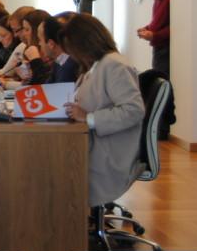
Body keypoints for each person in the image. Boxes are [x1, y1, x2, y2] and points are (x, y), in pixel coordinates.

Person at [60, 13, 146, 207]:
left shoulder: (114, 65)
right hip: (95, 141)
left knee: (57, 164)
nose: (73, 56)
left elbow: (134, 110)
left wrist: (89, 118)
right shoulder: (95, 66)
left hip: (110, 150)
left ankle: (66, 218)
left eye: (73, 50)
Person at [136, 0, 170, 76]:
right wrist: (147, 29)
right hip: (159, 48)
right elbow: (157, 23)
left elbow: (174, 27)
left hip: (166, 50)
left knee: (162, 80)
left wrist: (154, 36)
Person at [39, 16, 79, 84]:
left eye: (40, 40)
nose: (39, 44)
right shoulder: (59, 62)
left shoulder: (67, 67)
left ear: (51, 44)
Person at [20, 9, 52, 84]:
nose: (24, 34)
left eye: (27, 30)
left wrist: (35, 61)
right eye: (23, 29)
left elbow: (44, 85)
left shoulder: (50, 55)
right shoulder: (28, 49)